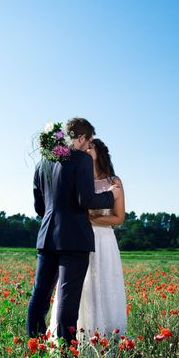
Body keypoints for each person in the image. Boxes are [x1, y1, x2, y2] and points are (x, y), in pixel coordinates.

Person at [27, 118, 121, 348]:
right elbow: (86, 199)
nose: (88, 146)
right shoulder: (81, 160)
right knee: (68, 302)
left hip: (47, 236)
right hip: (75, 240)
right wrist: (111, 195)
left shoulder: (43, 163)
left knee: (39, 296)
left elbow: (39, 207)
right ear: (81, 138)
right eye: (88, 141)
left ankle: (34, 346)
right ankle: (67, 354)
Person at [48, 138, 127, 343]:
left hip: (104, 240)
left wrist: (90, 218)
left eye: (90, 147)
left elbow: (119, 218)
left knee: (104, 284)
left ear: (98, 152)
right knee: (80, 287)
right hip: (79, 238)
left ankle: (106, 338)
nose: (84, 150)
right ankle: (76, 338)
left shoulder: (114, 181)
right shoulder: (77, 179)